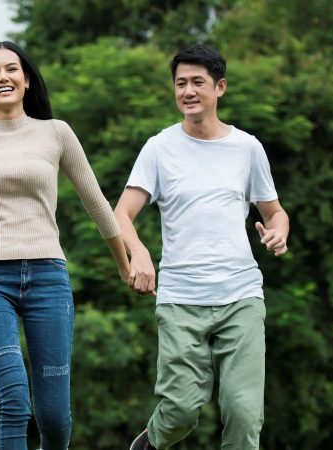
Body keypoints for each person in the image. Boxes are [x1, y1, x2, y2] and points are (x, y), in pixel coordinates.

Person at [0, 41, 132, 450]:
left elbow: (97, 204)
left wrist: (124, 264)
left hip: (48, 278)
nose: (2, 77)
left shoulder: (56, 133)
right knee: (14, 401)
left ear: (26, 79)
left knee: (55, 418)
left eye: (11, 69)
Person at [116, 44, 290, 450]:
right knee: (180, 410)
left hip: (241, 295)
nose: (188, 91)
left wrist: (279, 232)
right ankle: (150, 442)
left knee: (244, 415)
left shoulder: (247, 148)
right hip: (181, 297)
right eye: (181, 84)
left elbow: (275, 212)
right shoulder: (159, 148)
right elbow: (121, 214)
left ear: (219, 87)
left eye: (197, 82)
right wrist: (139, 253)